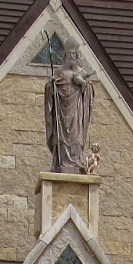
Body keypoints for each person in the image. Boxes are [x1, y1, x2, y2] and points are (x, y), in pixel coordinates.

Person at [45, 45, 95, 174]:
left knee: (75, 135)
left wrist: (82, 82)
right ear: (65, 56)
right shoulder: (59, 73)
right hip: (61, 111)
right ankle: (61, 162)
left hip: (76, 110)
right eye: (69, 54)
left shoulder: (81, 73)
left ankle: (76, 161)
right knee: (61, 137)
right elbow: (51, 90)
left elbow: (89, 92)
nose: (71, 56)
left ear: (77, 56)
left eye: (74, 54)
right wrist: (51, 86)